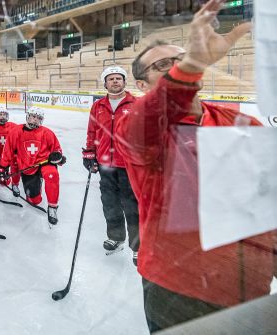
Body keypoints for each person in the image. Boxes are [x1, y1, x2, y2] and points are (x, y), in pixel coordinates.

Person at [115, 1, 275, 331]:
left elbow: (265, 192)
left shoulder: (237, 119)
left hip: (251, 282)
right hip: (179, 287)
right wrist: (191, 63)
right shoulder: (137, 124)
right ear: (142, 86)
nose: (177, 66)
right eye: (164, 65)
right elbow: (145, 122)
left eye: (180, 58)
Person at [84, 65, 140, 264]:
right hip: (105, 165)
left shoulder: (136, 104)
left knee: (132, 206)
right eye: (111, 79)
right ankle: (116, 238)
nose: (115, 81)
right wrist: (89, 152)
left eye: (118, 78)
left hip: (129, 166)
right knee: (110, 204)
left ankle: (138, 247)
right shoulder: (98, 106)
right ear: (105, 83)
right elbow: (92, 131)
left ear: (125, 82)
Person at [0, 107, 65, 225]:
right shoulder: (16, 131)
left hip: (44, 163)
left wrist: (58, 157)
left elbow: (57, 151)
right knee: (34, 201)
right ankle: (36, 187)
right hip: (28, 167)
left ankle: (52, 207)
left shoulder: (47, 132)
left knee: (52, 175)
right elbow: (8, 150)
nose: (35, 120)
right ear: (28, 117)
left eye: (38, 118)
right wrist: (2, 166)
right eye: (33, 116)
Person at [0, 106, 20, 197]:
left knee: (15, 165)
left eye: (4, 114)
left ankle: (16, 180)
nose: (2, 116)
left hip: (10, 155)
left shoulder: (13, 126)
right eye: (0, 115)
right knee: (3, 182)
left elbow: (23, 131)